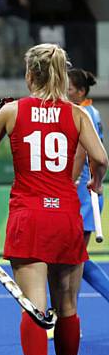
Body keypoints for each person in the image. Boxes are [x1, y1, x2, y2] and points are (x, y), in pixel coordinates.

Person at [0, 46, 108, 355]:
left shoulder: (12, 111)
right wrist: (96, 184)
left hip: (28, 216)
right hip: (65, 215)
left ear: (30, 74)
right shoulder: (77, 114)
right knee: (67, 305)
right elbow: (100, 158)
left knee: (34, 307)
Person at [68, 68, 109, 303]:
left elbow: (81, 154)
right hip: (84, 192)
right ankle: (63, 315)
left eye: (69, 90)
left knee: (74, 259)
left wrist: (67, 185)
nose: (65, 93)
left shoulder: (84, 113)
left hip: (84, 193)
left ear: (81, 91)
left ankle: (63, 316)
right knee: (76, 256)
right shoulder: (90, 110)